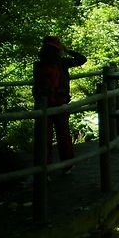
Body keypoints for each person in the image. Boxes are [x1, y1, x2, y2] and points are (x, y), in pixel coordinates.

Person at [33, 35, 87, 169]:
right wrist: (68, 50)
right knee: (63, 135)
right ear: (58, 49)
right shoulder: (62, 62)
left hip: (42, 104)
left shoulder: (38, 64)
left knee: (44, 137)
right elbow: (82, 59)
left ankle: (44, 168)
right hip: (60, 102)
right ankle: (67, 165)